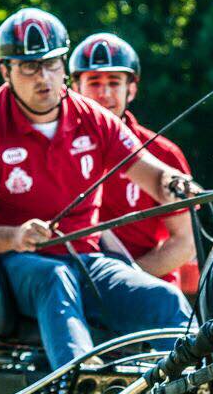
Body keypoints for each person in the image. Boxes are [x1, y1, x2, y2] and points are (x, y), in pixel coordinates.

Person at [0, 8, 195, 369]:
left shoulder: (92, 117)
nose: (44, 77)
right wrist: (14, 236)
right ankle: (82, 385)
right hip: (21, 266)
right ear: (5, 71)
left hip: (85, 260)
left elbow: (153, 175)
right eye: (29, 67)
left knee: (164, 300)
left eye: (52, 64)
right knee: (55, 279)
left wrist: (177, 186)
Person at [69, 33, 198, 290]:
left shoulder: (163, 154)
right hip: (72, 283)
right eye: (94, 82)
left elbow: (186, 244)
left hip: (149, 287)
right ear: (75, 89)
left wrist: (122, 282)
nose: (104, 93)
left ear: (132, 89)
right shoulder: (55, 148)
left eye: (114, 82)